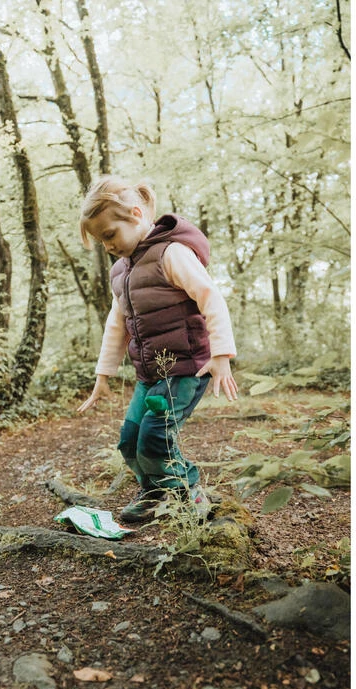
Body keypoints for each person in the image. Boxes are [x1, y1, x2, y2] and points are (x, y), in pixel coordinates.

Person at [77, 175, 238, 524]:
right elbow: (117, 323)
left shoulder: (172, 253)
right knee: (129, 439)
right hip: (150, 374)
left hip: (185, 368)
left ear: (136, 215)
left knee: (155, 434)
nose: (108, 246)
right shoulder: (121, 271)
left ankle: (188, 489)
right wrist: (103, 375)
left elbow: (210, 297)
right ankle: (153, 491)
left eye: (110, 235)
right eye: (101, 241)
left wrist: (221, 355)